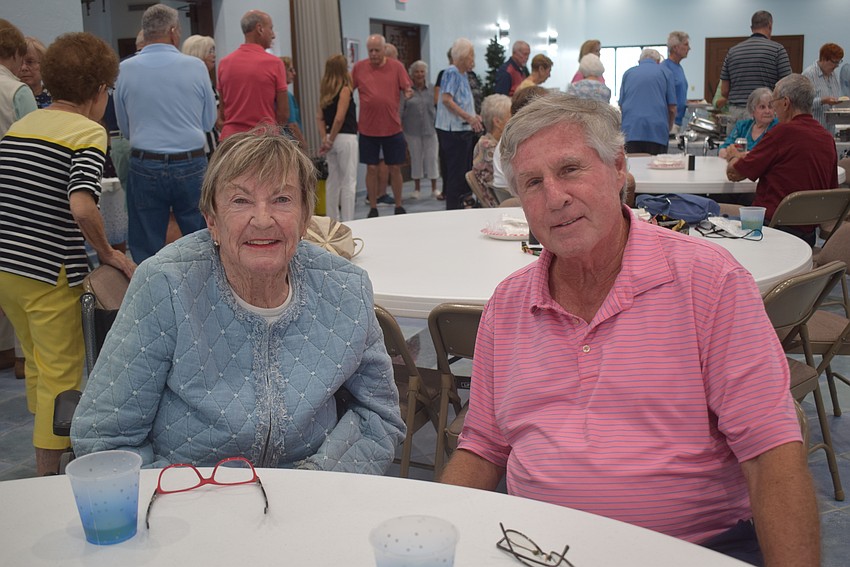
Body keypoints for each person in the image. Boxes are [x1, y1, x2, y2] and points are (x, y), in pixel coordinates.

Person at [441, 93, 819, 567]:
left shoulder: (710, 282)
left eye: (570, 170)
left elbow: (770, 453)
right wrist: (435, 532)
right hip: (537, 548)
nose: (554, 197)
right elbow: (483, 446)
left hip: (692, 550)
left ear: (618, 169)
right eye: (532, 182)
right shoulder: (509, 303)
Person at [71, 127, 405, 472]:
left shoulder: (345, 288)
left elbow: (379, 416)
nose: (262, 219)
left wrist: (318, 479)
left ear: (305, 218)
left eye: (282, 199)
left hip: (313, 493)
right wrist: (189, 499)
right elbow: (103, 438)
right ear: (212, 220)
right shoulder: (166, 285)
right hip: (191, 500)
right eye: (240, 201)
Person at [0, 32, 137, 476]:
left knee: (39, 364)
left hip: (8, 267)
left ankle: (42, 463)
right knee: (62, 375)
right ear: (99, 90)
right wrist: (109, 254)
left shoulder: (24, 125)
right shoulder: (87, 131)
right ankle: (47, 480)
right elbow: (82, 204)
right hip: (48, 270)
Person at [115, 4, 216, 263]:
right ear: (173, 31)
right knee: (203, 237)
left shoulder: (124, 69)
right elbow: (208, 123)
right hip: (191, 162)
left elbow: (124, 128)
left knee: (146, 244)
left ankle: (149, 295)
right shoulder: (196, 67)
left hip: (145, 162)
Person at [727, 74, 839, 245]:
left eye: (773, 102)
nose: (773, 109)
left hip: (770, 231)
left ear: (786, 103)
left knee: (710, 209)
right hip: (807, 237)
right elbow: (830, 193)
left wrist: (733, 156)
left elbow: (734, 174)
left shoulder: (782, 132)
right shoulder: (827, 138)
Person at [352, 34, 412, 217]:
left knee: (395, 167)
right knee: (371, 168)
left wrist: (408, 93)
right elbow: (347, 90)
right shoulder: (359, 68)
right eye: (370, 50)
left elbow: (406, 87)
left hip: (392, 127)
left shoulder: (396, 67)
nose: (373, 54)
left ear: (384, 50)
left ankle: (399, 205)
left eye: (377, 50)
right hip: (367, 128)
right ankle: (373, 206)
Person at [217, 10, 290, 140]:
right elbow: (283, 113)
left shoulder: (224, 64)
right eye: (271, 29)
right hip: (263, 141)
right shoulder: (274, 63)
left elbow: (222, 114)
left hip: (231, 141)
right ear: (260, 29)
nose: (273, 35)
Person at [436, 37, 483, 210]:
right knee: (455, 174)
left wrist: (475, 116)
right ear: (463, 56)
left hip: (462, 129)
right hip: (453, 131)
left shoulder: (463, 74)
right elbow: (447, 100)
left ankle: (461, 205)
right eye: (471, 56)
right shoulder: (452, 72)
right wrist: (469, 118)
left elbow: (462, 101)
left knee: (462, 172)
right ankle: (453, 209)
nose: (473, 60)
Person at [719, 10, 792, 122]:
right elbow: (787, 87)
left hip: (736, 113)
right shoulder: (777, 50)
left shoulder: (732, 51)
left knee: (735, 140)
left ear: (751, 28)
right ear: (770, 26)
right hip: (765, 112)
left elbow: (724, 91)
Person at [317, 54, 358, 221]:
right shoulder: (345, 89)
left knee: (333, 181)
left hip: (330, 138)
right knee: (348, 181)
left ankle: (332, 219)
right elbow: (340, 118)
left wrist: (325, 139)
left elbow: (319, 117)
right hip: (345, 138)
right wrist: (332, 139)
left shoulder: (325, 90)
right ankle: (349, 221)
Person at [619, 48, 676, 155]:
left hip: (631, 132)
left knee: (633, 168)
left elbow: (621, 106)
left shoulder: (628, 73)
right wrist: (668, 128)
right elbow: (672, 108)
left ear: (639, 62)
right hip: (657, 132)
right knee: (656, 169)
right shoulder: (666, 73)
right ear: (658, 62)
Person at [401, 60, 439, 200]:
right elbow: (401, 109)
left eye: (422, 71)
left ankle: (434, 188)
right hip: (412, 130)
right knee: (416, 158)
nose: (419, 74)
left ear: (425, 73)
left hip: (431, 129)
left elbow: (438, 107)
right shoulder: (407, 90)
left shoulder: (432, 88)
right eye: (416, 71)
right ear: (412, 74)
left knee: (432, 158)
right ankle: (417, 189)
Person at [181, 34, 221, 158]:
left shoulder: (183, 79)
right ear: (198, 53)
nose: (213, 55)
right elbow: (215, 117)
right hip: (205, 145)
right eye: (209, 51)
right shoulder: (202, 80)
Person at [471, 94, 511, 207]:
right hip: (499, 204)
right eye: (511, 116)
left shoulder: (485, 142)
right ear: (497, 122)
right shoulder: (489, 147)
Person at [718, 87, 778, 158]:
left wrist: (739, 155)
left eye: (770, 107)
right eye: (762, 107)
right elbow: (723, 149)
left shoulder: (778, 127)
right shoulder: (742, 126)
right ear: (752, 111)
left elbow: (770, 155)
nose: (767, 111)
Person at [802, 43, 845, 131]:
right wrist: (822, 101)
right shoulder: (808, 75)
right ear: (824, 59)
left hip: (829, 130)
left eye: (839, 62)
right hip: (812, 130)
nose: (837, 65)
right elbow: (801, 104)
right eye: (835, 62)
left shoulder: (833, 75)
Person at [661, 31, 691, 133]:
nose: (689, 48)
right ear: (675, 48)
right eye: (686, 45)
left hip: (679, 122)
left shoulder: (679, 68)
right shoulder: (664, 68)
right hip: (668, 122)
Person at [280, 56, 307, 147]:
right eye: (290, 70)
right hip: (290, 142)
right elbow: (292, 125)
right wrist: (303, 145)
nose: (294, 73)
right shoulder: (286, 95)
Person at [19, 37, 50, 108]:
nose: (23, 68)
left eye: (30, 62)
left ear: (43, 64)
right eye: (19, 62)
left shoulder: (56, 99)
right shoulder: (10, 98)